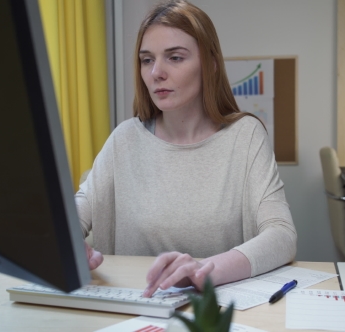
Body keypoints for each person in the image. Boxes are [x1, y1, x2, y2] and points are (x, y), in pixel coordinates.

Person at [76, 0, 296, 298]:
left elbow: (282, 235)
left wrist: (203, 271)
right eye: (146, 60)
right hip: (139, 308)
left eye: (175, 58)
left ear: (211, 64)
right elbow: (76, 212)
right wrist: (65, 239)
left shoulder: (245, 136)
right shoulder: (125, 139)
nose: (156, 72)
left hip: (214, 314)